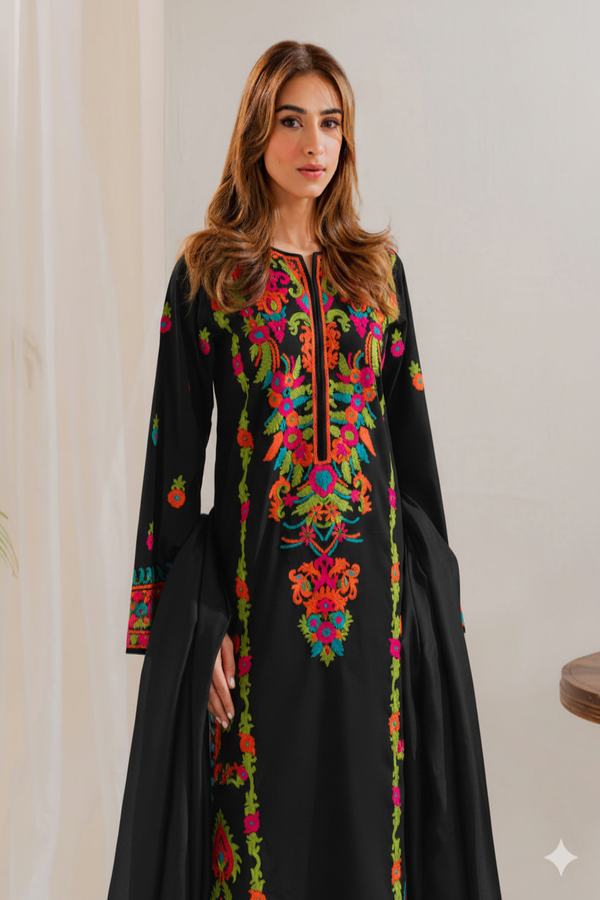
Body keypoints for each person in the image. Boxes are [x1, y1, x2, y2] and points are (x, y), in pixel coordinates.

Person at [108, 40, 503, 900]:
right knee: (266, 835)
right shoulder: (211, 275)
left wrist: (434, 613)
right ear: (257, 132)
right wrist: (188, 623)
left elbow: (414, 455)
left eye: (330, 123)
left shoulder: (378, 274)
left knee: (370, 826)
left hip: (375, 612)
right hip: (260, 609)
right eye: (292, 121)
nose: (313, 144)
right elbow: (175, 462)